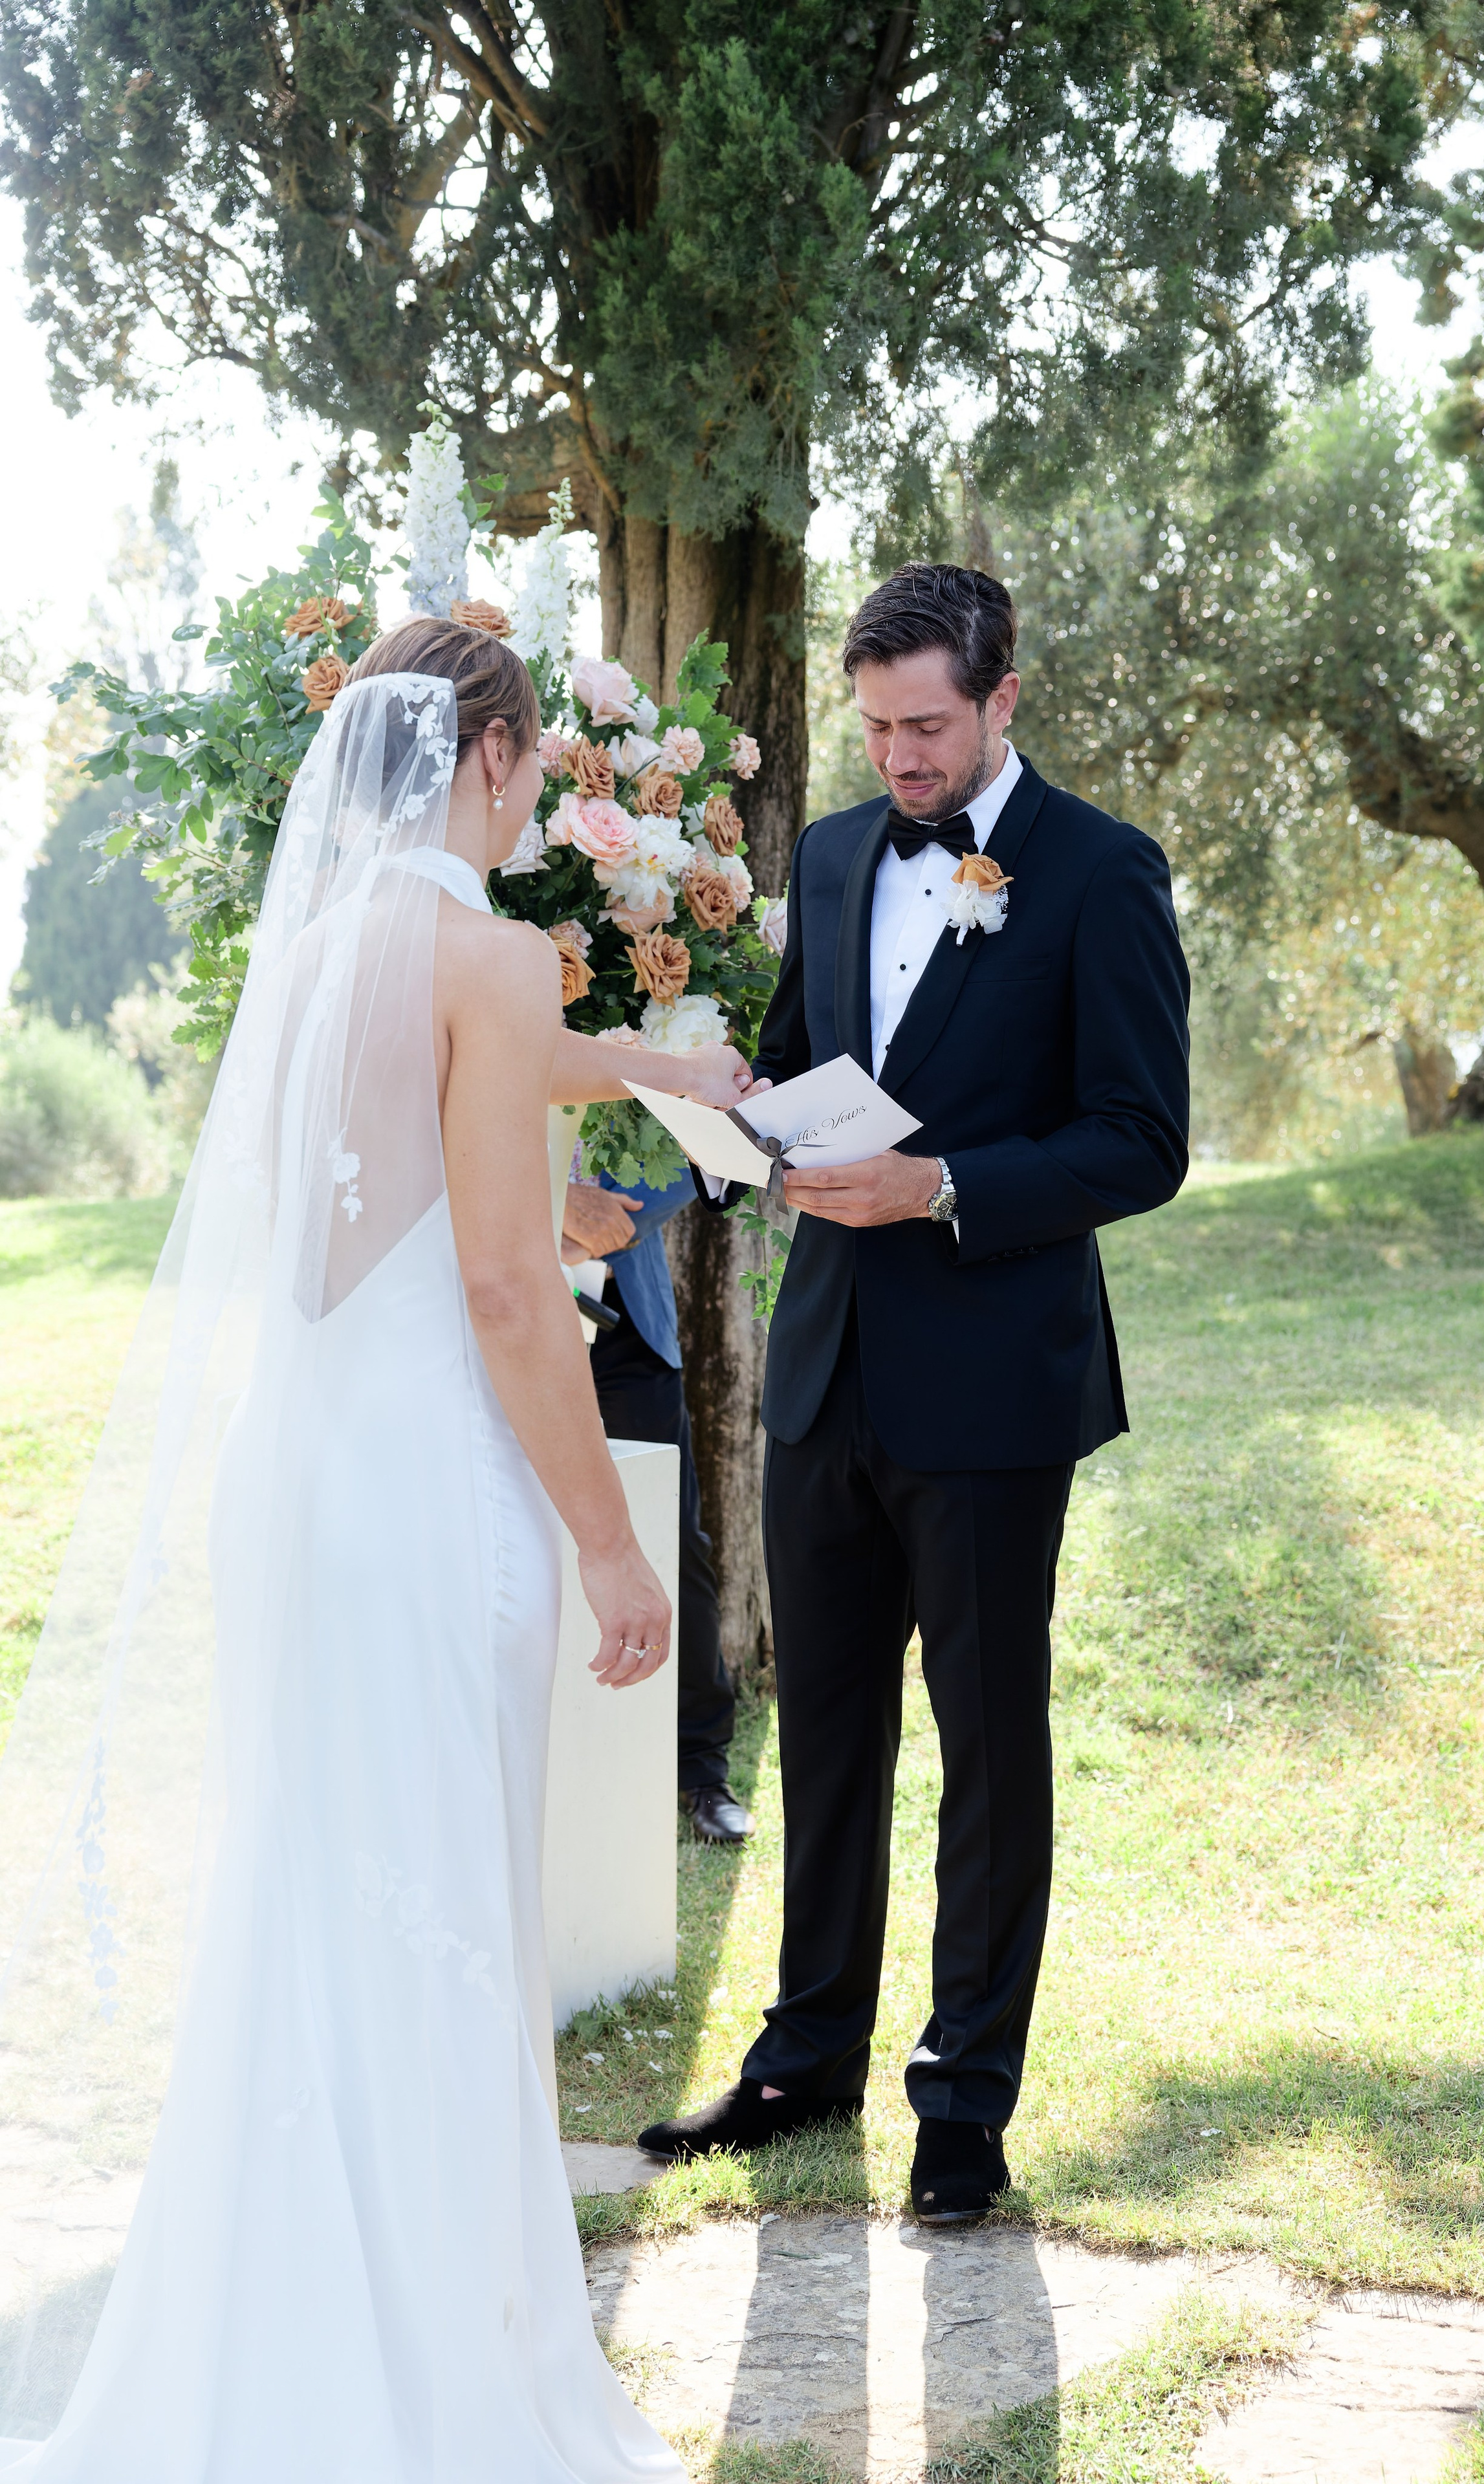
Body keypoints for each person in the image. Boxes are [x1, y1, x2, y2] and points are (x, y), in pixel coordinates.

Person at [0, 619, 756, 2475]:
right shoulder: (484, 948)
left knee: (313, 1899)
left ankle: (269, 2358)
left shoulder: (320, 951)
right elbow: (500, 1290)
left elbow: (391, 1192)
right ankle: (430, 2383)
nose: (534, 812)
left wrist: (630, 1082)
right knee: (438, 1904)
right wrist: (613, 1547)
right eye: (535, 779)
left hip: (295, 1486)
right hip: (425, 1489)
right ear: (491, 757)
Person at [639, 563, 1190, 2225]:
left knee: (987, 1748)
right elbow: (816, 1053)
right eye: (877, 727)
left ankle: (962, 2102)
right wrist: (741, 1111)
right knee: (825, 1735)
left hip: (995, 1387)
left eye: (929, 725)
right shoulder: (827, 853)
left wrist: (940, 1186)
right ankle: (803, 2060)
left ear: (1002, 696)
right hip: (822, 1370)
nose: (900, 756)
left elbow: (1139, 1141)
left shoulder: (1100, 870)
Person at [559, 1170, 752, 1843]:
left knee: (673, 1539)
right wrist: (549, 1204)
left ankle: (701, 1767)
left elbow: (696, 1142)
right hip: (499, 1312)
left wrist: (599, 1225)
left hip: (626, 1320)